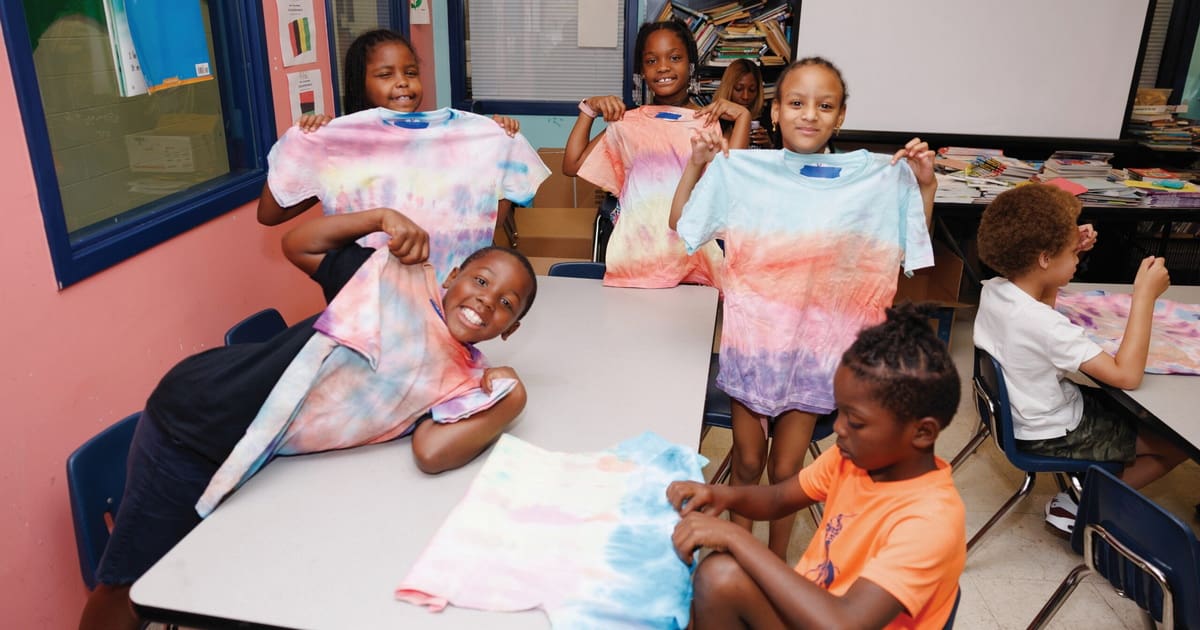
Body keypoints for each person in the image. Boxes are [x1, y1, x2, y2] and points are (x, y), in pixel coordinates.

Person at [78, 209, 538, 630]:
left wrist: (510, 402)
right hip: (196, 424)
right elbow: (299, 244)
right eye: (481, 281)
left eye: (506, 304)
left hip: (263, 460)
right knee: (132, 584)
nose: (487, 301)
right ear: (453, 275)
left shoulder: (462, 375)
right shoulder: (389, 284)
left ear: (511, 328)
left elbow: (433, 451)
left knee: (225, 571)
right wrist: (379, 218)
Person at [668, 56, 937, 559]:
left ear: (840, 117)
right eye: (796, 102)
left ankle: (769, 562)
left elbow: (908, 245)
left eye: (824, 105)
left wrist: (924, 185)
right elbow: (681, 221)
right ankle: (736, 557)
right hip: (755, 346)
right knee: (747, 461)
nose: (809, 114)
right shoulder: (743, 171)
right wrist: (698, 164)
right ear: (774, 112)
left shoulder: (877, 179)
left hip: (819, 355)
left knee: (787, 470)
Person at [667, 303, 966, 630]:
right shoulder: (852, 460)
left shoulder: (931, 521)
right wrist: (721, 495)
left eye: (855, 421)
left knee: (721, 576)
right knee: (715, 582)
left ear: (922, 432)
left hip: (839, 621)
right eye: (839, 413)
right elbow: (779, 498)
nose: (838, 428)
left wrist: (737, 538)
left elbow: (845, 624)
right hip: (821, 609)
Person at [973, 183, 1187, 533]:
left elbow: (1040, 308)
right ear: (1044, 258)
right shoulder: (1048, 327)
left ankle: (1091, 481)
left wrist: (1062, 260)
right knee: (1175, 446)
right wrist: (1144, 296)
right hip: (1050, 431)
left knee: (1136, 414)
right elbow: (1127, 375)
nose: (1078, 259)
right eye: (1074, 254)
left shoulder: (997, 289)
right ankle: (1079, 503)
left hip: (1027, 413)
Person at [256, 29, 546, 281]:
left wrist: (495, 144)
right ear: (360, 82)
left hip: (449, 292)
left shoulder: (461, 140)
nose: (403, 82)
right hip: (369, 294)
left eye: (410, 72)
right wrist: (307, 147)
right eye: (385, 74)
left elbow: (491, 218)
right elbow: (271, 213)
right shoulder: (337, 144)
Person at [562, 20, 750, 288]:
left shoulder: (707, 123)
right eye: (652, 60)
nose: (663, 67)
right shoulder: (629, 122)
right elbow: (572, 164)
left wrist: (742, 116)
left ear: (691, 66)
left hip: (694, 264)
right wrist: (589, 110)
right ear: (641, 71)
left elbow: (733, 179)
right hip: (637, 259)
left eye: (674, 58)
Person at [713, 59, 773, 148]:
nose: (745, 96)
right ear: (728, 89)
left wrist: (768, 145)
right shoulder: (716, 119)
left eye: (752, 90)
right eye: (738, 89)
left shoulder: (767, 117)